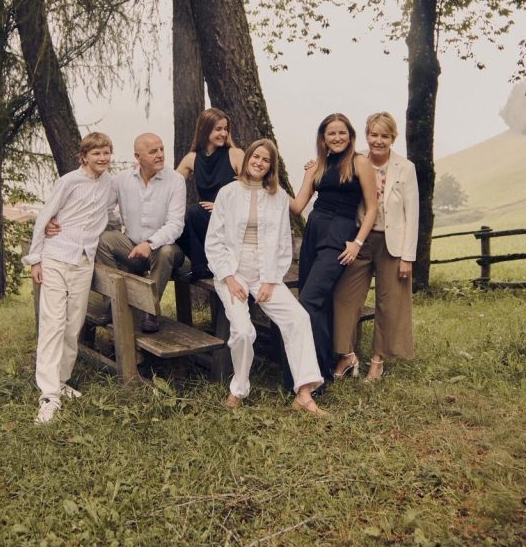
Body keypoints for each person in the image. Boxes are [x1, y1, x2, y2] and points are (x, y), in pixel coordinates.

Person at [205, 138, 327, 416]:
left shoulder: (278, 196)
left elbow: (284, 242)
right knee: (243, 331)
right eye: (256, 157)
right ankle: (238, 388)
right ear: (248, 158)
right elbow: (214, 241)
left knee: (298, 318)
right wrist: (229, 278)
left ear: (271, 166)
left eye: (266, 160)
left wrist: (271, 281)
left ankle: (304, 392)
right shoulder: (228, 193)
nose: (259, 162)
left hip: (265, 274)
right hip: (232, 271)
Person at [47, 133, 186, 334]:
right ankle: (114, 304)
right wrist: (56, 220)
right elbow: (102, 209)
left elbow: (176, 224)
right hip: (131, 246)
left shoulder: (176, 180)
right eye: (153, 151)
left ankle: (151, 311)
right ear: (137, 157)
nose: (160, 155)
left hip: (166, 249)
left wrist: (150, 243)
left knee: (165, 251)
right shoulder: (121, 180)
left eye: (161, 149)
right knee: (103, 240)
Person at [23, 132, 115, 425]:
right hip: (56, 257)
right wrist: (35, 258)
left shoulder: (110, 184)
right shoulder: (69, 182)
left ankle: (61, 380)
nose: (102, 158)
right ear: (84, 157)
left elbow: (108, 214)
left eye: (106, 152)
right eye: (96, 153)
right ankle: (48, 395)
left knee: (73, 324)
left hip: (84, 261)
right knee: (53, 323)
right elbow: (45, 217)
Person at [290, 113, 377, 383]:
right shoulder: (318, 165)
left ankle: (317, 372)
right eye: (331, 133)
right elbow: (297, 206)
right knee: (317, 299)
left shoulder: (360, 162)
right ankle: (328, 360)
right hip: (314, 230)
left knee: (309, 301)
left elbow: (372, 209)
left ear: (350, 136)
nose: (337, 137)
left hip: (339, 233)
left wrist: (357, 242)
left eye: (342, 133)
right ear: (323, 138)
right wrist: (265, 186)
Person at [332, 112, 419, 382]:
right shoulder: (355, 159)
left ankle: (377, 360)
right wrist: (313, 166)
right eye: (373, 135)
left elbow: (412, 214)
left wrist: (407, 257)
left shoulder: (405, 168)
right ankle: (346, 354)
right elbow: (330, 172)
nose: (378, 141)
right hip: (360, 239)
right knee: (344, 297)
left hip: (393, 245)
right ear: (366, 135)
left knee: (389, 303)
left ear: (393, 138)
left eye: (384, 136)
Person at [176, 108, 243, 280]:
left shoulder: (235, 155)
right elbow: (171, 185)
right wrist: (145, 170)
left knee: (193, 212)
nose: (224, 133)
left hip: (230, 220)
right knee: (177, 226)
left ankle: (202, 268)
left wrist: (222, 206)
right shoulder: (192, 158)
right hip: (206, 223)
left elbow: (251, 191)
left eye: (226, 129)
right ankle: (205, 265)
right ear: (205, 130)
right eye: (218, 129)